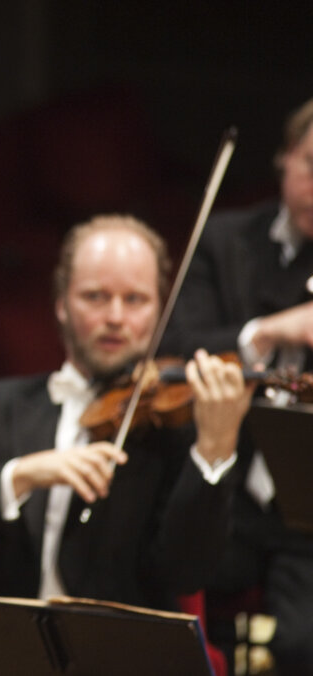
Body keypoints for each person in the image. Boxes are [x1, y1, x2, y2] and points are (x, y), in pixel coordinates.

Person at [0, 215, 253, 612]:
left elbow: (186, 573)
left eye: (135, 299)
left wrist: (215, 448)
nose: (116, 317)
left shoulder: (176, 421)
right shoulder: (7, 405)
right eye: (95, 297)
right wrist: (23, 473)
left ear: (159, 311)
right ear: (61, 305)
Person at [163, 97, 313, 675]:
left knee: (301, 649)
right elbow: (180, 348)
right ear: (283, 160)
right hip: (228, 497)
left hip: (308, 517)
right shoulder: (226, 242)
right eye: (310, 165)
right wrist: (272, 331)